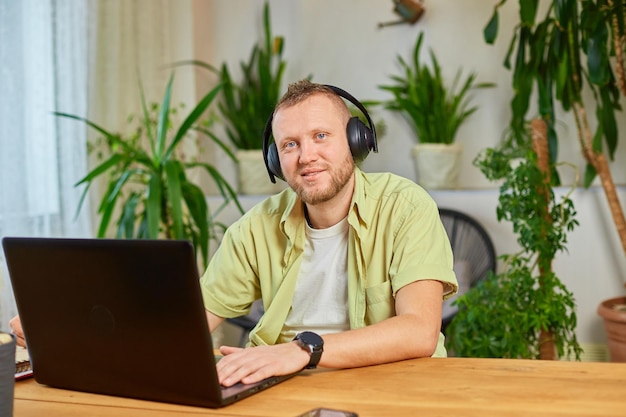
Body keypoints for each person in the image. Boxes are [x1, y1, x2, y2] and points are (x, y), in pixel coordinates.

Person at [10, 80, 458, 388]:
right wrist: (65, 329)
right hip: (285, 391)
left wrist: (304, 350)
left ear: (356, 141)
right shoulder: (255, 228)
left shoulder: (405, 204)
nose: (307, 156)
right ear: (274, 161)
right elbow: (183, 324)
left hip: (392, 388)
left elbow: (418, 331)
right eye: (290, 145)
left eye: (321, 135)